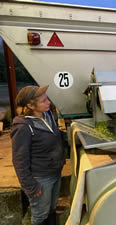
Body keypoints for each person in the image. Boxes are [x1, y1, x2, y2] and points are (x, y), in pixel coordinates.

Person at [10, 85, 64, 225]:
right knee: (40, 214)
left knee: (51, 209)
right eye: (43, 101)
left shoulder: (48, 115)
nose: (48, 103)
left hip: (55, 172)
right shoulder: (24, 127)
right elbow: (19, 160)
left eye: (47, 99)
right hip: (40, 179)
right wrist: (30, 186)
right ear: (30, 105)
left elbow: (54, 137)